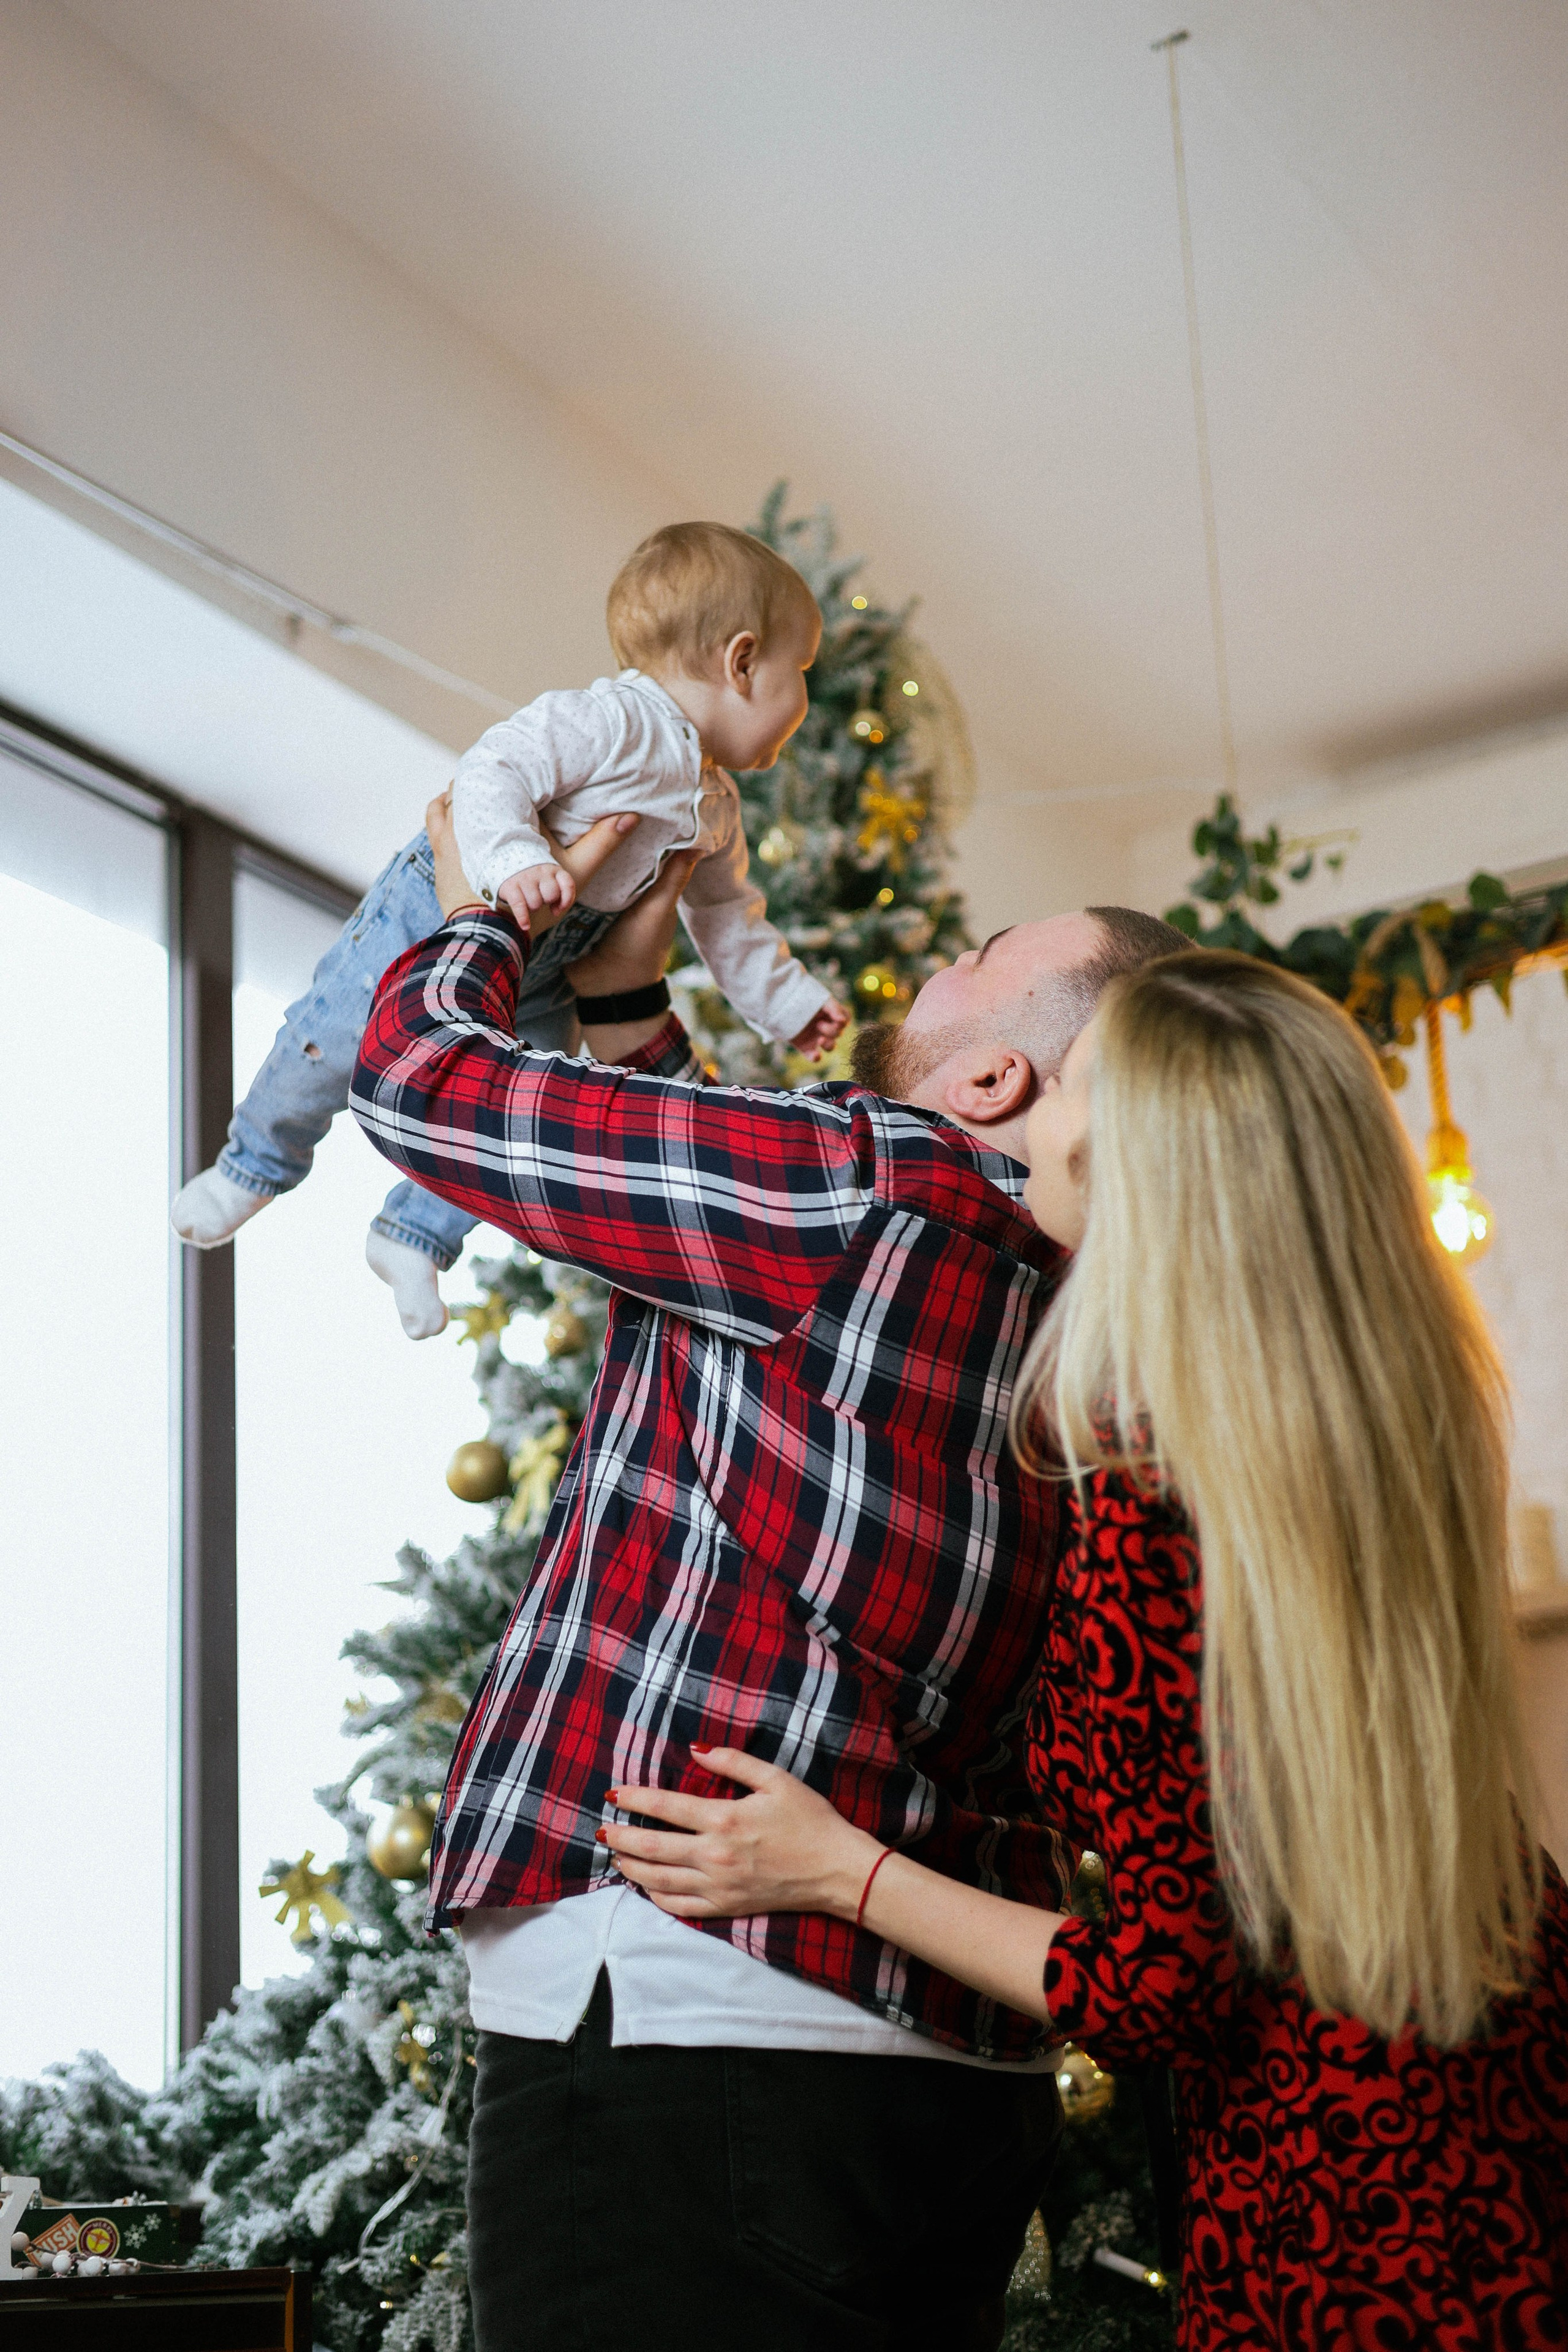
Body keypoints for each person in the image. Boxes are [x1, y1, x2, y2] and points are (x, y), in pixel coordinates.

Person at [603, 950, 1568, 2348]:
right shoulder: (1384, 1420)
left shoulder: (1144, 1486)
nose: (1030, 1089)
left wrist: (836, 1869)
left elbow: (1157, 1985)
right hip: (1505, 2084)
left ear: (1139, 1170)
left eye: (1070, 1076)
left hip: (1344, 2189)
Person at [349, 788, 1191, 2351]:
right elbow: (726, 1278)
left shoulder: (860, 1186)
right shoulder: (1105, 1335)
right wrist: (621, 995)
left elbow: (422, 1085)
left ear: (998, 1076)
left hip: (693, 2037)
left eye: (980, 957)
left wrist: (484, 906)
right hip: (936, 2096)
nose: (940, 959)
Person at [170, 522, 844, 1339]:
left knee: (518, 1105)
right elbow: (494, 770)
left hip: (551, 967)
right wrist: (518, 857)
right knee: (335, 1037)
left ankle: (412, 1234)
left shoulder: (716, 807)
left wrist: (792, 1006)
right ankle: (253, 1164)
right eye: (799, 672)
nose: (804, 701)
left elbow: (729, 921)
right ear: (742, 662)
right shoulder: (615, 721)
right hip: (445, 906)